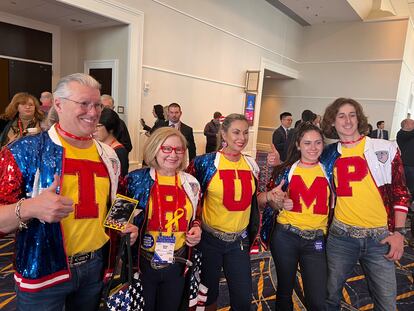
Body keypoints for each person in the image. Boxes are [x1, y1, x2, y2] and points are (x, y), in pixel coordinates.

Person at [0, 73, 138, 311]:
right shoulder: (24, 150)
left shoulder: (109, 155)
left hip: (95, 265)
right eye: (83, 104)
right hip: (42, 269)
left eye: (97, 105)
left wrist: (122, 225)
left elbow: (115, 200)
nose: (93, 112)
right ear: (59, 104)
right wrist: (31, 207)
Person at [320, 98, 410, 310]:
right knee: (329, 296)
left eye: (352, 114)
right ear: (332, 121)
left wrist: (399, 233)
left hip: (380, 238)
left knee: (387, 303)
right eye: (341, 115)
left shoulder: (385, 148)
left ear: (359, 118)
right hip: (341, 237)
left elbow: (400, 192)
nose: (347, 120)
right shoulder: (328, 154)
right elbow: (303, 170)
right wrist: (276, 165)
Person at [187, 113, 260, 311]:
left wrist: (270, 197)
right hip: (210, 240)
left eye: (245, 133)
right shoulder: (205, 163)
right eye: (236, 132)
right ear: (224, 134)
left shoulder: (251, 165)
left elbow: (255, 201)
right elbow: (190, 198)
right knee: (207, 295)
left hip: (239, 241)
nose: (242, 138)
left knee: (243, 297)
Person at [125, 127, 201, 311]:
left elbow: (196, 216)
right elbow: (117, 218)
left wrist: (197, 228)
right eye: (166, 149)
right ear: (154, 149)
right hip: (143, 263)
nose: (173, 155)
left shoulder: (191, 183)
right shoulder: (135, 180)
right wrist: (127, 229)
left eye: (178, 149)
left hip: (178, 262)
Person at [261, 122, 331, 311]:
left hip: (315, 240)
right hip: (286, 237)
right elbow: (267, 200)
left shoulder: (330, 171)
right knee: (284, 292)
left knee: (317, 299)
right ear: (299, 145)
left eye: (318, 143)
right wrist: (278, 201)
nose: (313, 148)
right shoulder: (286, 170)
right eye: (307, 143)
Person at [94, 108, 129, 177]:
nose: (94, 130)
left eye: (98, 126)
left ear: (110, 129)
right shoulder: (97, 145)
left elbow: (120, 180)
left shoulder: (119, 151)